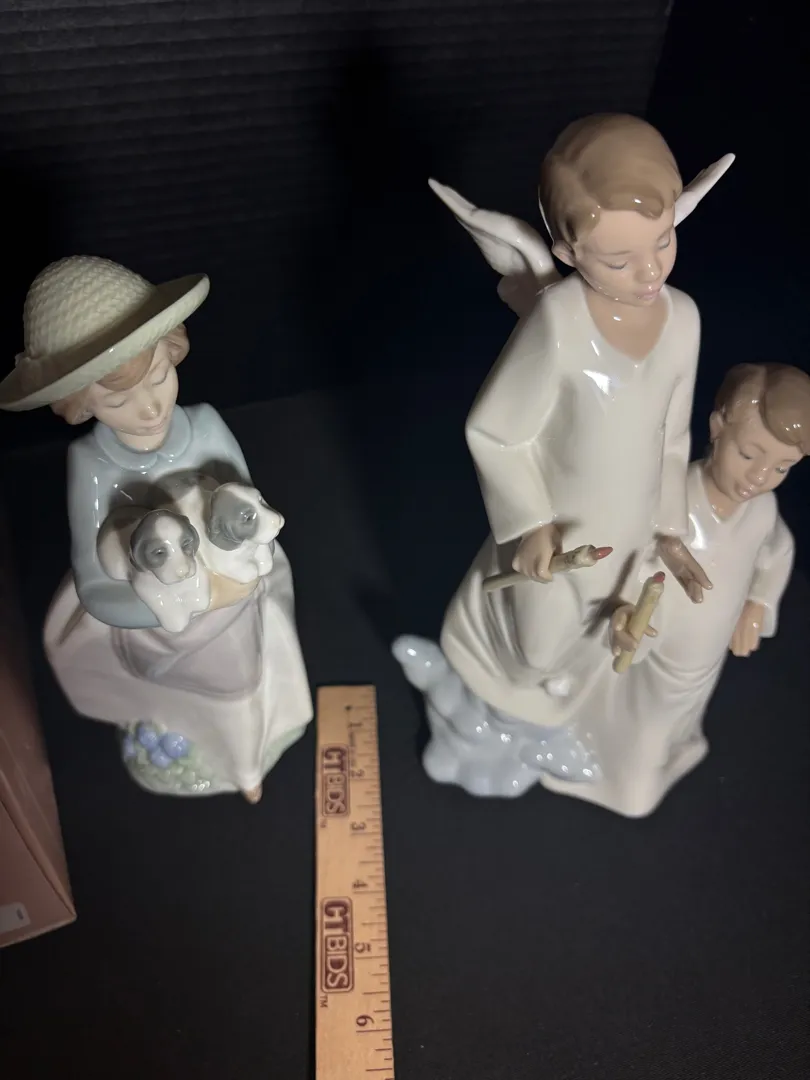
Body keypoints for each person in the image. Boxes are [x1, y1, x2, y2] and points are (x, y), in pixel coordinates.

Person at [394, 114, 733, 798]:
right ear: (568, 253)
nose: (649, 272)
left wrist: (669, 530)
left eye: (663, 242)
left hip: (628, 532)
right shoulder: (560, 322)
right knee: (534, 647)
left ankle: (534, 732)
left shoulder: (684, 321)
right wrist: (530, 524)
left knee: (595, 641)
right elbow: (496, 432)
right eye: (619, 260)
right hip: (558, 532)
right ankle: (471, 706)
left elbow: (672, 436)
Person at [0, 256, 312, 800]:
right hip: (152, 615)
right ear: (80, 404)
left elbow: (247, 510)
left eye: (160, 376)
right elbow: (95, 581)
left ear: (173, 351)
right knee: (186, 686)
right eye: (117, 399)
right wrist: (179, 605)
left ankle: (250, 754)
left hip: (232, 594)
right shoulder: (91, 464)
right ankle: (209, 750)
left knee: (247, 667)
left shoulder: (206, 426)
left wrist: (232, 573)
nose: (149, 409)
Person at [547, 363, 806, 816]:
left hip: (704, 661)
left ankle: (669, 752)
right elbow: (629, 564)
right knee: (640, 742)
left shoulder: (763, 510)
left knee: (681, 724)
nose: (760, 477)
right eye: (749, 454)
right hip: (657, 654)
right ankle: (619, 782)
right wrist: (623, 615)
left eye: (781, 467)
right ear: (718, 428)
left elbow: (778, 551)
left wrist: (757, 603)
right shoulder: (670, 506)